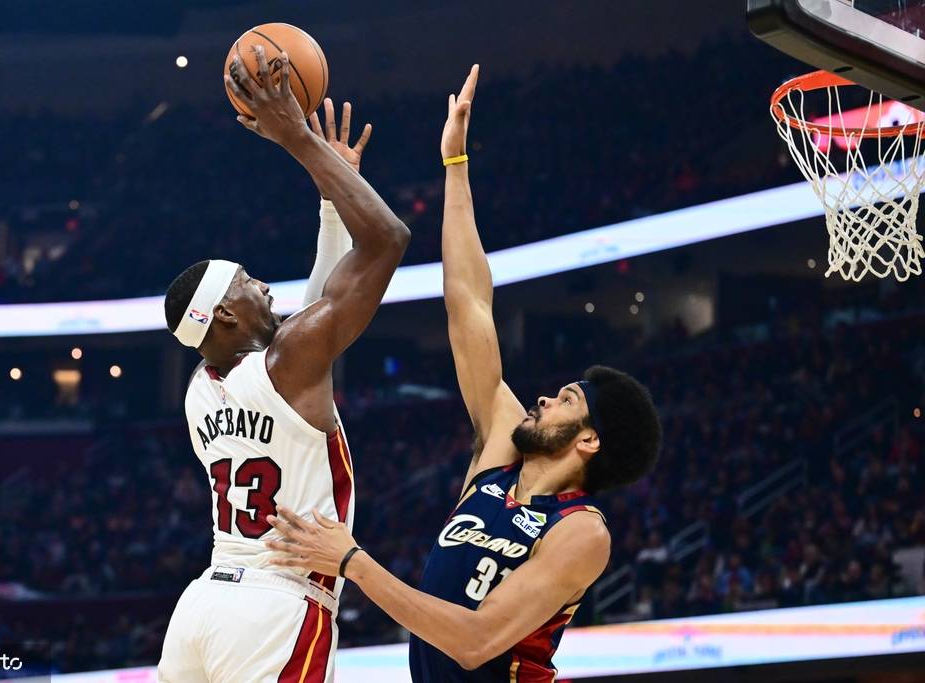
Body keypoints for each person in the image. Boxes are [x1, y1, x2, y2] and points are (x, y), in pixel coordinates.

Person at [265, 65, 662, 681]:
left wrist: (351, 561)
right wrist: (455, 165)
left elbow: (475, 642)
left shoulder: (582, 532)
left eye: (566, 400)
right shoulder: (500, 455)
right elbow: (469, 302)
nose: (544, 399)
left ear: (590, 440)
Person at [157, 46, 409, 683]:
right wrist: (301, 140)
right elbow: (388, 240)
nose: (264, 285)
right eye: (246, 281)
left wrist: (331, 198)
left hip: (201, 606)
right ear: (225, 315)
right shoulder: (287, 363)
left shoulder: (199, 389)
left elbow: (310, 318)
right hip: (277, 607)